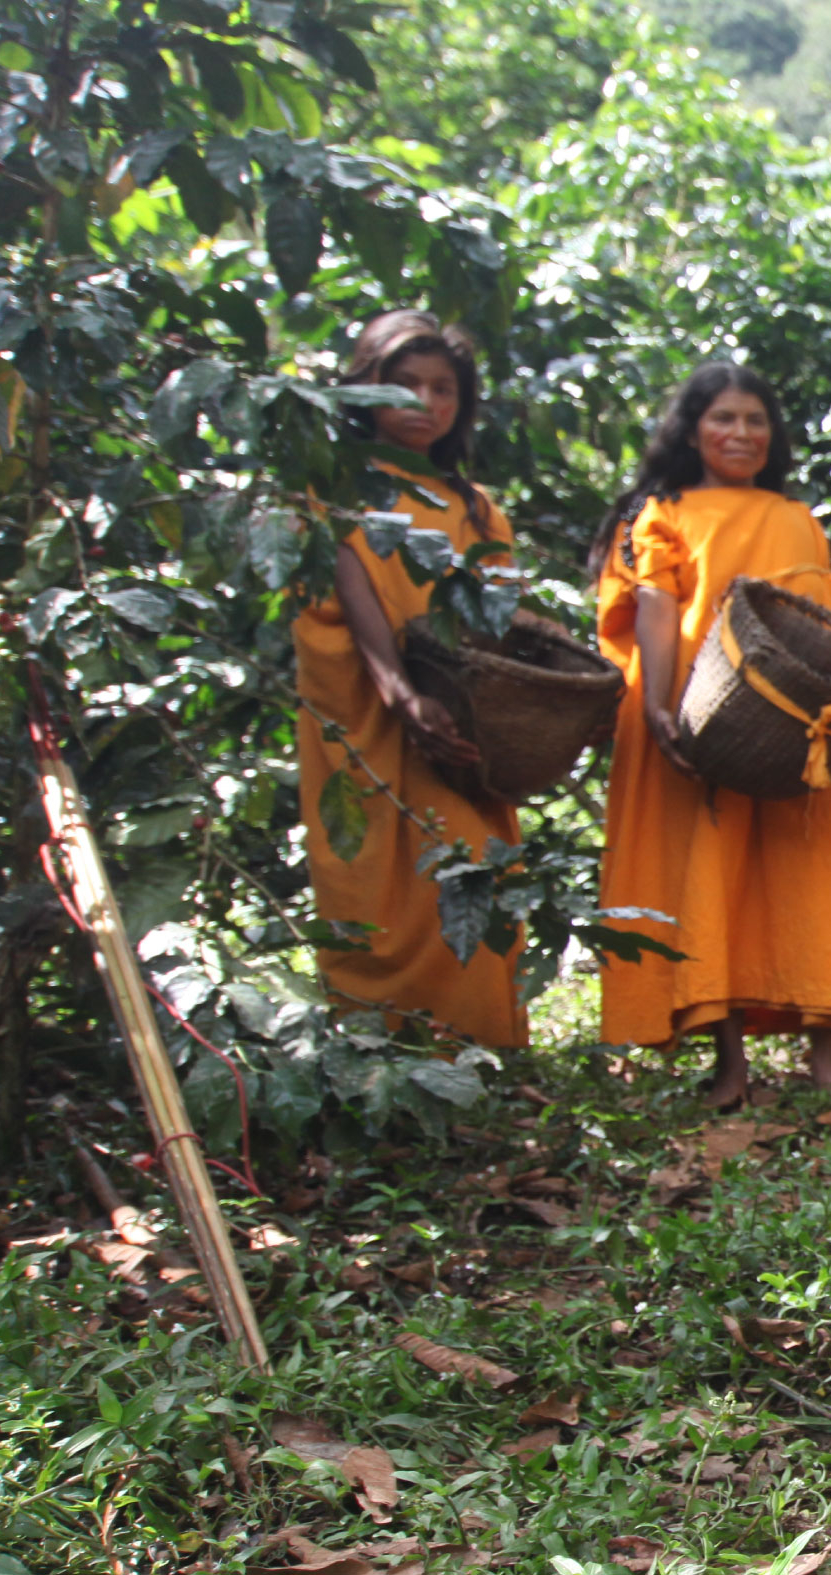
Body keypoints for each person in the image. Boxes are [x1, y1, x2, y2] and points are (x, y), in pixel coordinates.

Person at [590, 362, 831, 1107]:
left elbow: (820, 623)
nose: (741, 433)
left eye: (755, 420)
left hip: (797, 719)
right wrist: (662, 705)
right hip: (699, 713)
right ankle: (731, 1061)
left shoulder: (797, 516)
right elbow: (653, 605)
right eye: (724, 418)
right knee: (712, 876)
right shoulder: (664, 511)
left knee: (802, 867)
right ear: (692, 430)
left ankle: (824, 1053)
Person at [292, 309, 529, 1047]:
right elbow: (350, 579)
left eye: (444, 390)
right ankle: (380, 1056)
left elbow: (501, 619)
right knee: (372, 879)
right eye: (406, 386)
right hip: (368, 713)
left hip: (456, 723)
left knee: (466, 866)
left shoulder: (475, 505)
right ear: (364, 389)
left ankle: (477, 1050)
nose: (427, 404)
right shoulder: (333, 489)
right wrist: (398, 690)